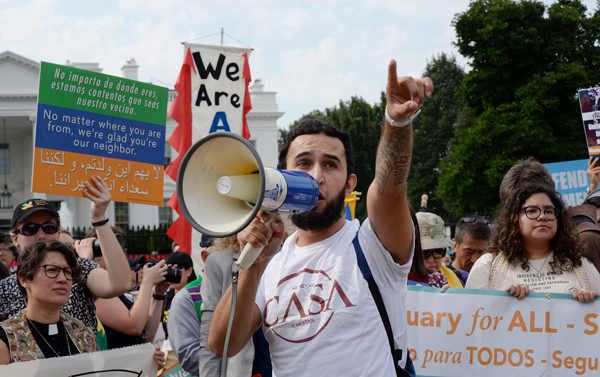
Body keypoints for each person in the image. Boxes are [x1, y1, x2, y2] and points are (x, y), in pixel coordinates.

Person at [208, 61, 432, 376]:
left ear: (350, 183)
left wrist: (397, 124)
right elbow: (223, 344)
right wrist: (253, 266)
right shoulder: (268, 264)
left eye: (330, 165)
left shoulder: (372, 243)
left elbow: (389, 192)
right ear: (282, 175)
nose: (316, 176)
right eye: (303, 163)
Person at [0, 240, 165, 367]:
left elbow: (105, 374)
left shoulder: (82, 332)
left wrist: (146, 363)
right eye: (51, 270)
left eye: (67, 272)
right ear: (24, 279)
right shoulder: (6, 338)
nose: (62, 279)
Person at [0, 177, 132, 335]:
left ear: (57, 233)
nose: (41, 235)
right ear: (15, 239)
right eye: (31, 228)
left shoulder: (80, 268)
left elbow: (121, 284)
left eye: (49, 227)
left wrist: (99, 219)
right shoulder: (4, 290)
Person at [466, 185, 600, 301]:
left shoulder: (580, 264)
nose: (542, 217)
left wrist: (590, 302)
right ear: (514, 218)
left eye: (549, 211)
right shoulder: (488, 265)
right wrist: (504, 302)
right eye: (532, 211)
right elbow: (473, 318)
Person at [82, 227, 170, 350]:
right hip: (117, 367)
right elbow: (134, 326)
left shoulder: (112, 288)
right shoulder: (94, 289)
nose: (122, 256)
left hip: (132, 365)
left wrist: (159, 294)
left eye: (122, 250)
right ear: (96, 254)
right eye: (115, 250)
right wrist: (147, 282)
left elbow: (145, 337)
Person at [416, 212, 463, 288]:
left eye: (438, 253)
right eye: (424, 254)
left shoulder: (452, 277)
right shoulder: (398, 279)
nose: (431, 260)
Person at [447, 215, 491, 285]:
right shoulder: (440, 279)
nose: (475, 259)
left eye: (481, 252)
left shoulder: (493, 279)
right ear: (455, 245)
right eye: (469, 251)